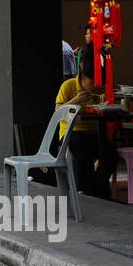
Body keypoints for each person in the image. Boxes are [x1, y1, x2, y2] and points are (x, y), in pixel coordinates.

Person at [54, 57, 112, 197]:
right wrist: (77, 100)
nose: (93, 87)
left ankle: (97, 186)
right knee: (82, 147)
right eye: (92, 82)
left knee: (110, 153)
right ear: (84, 77)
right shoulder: (68, 85)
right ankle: (87, 188)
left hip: (92, 130)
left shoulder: (96, 91)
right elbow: (57, 110)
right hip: (71, 132)